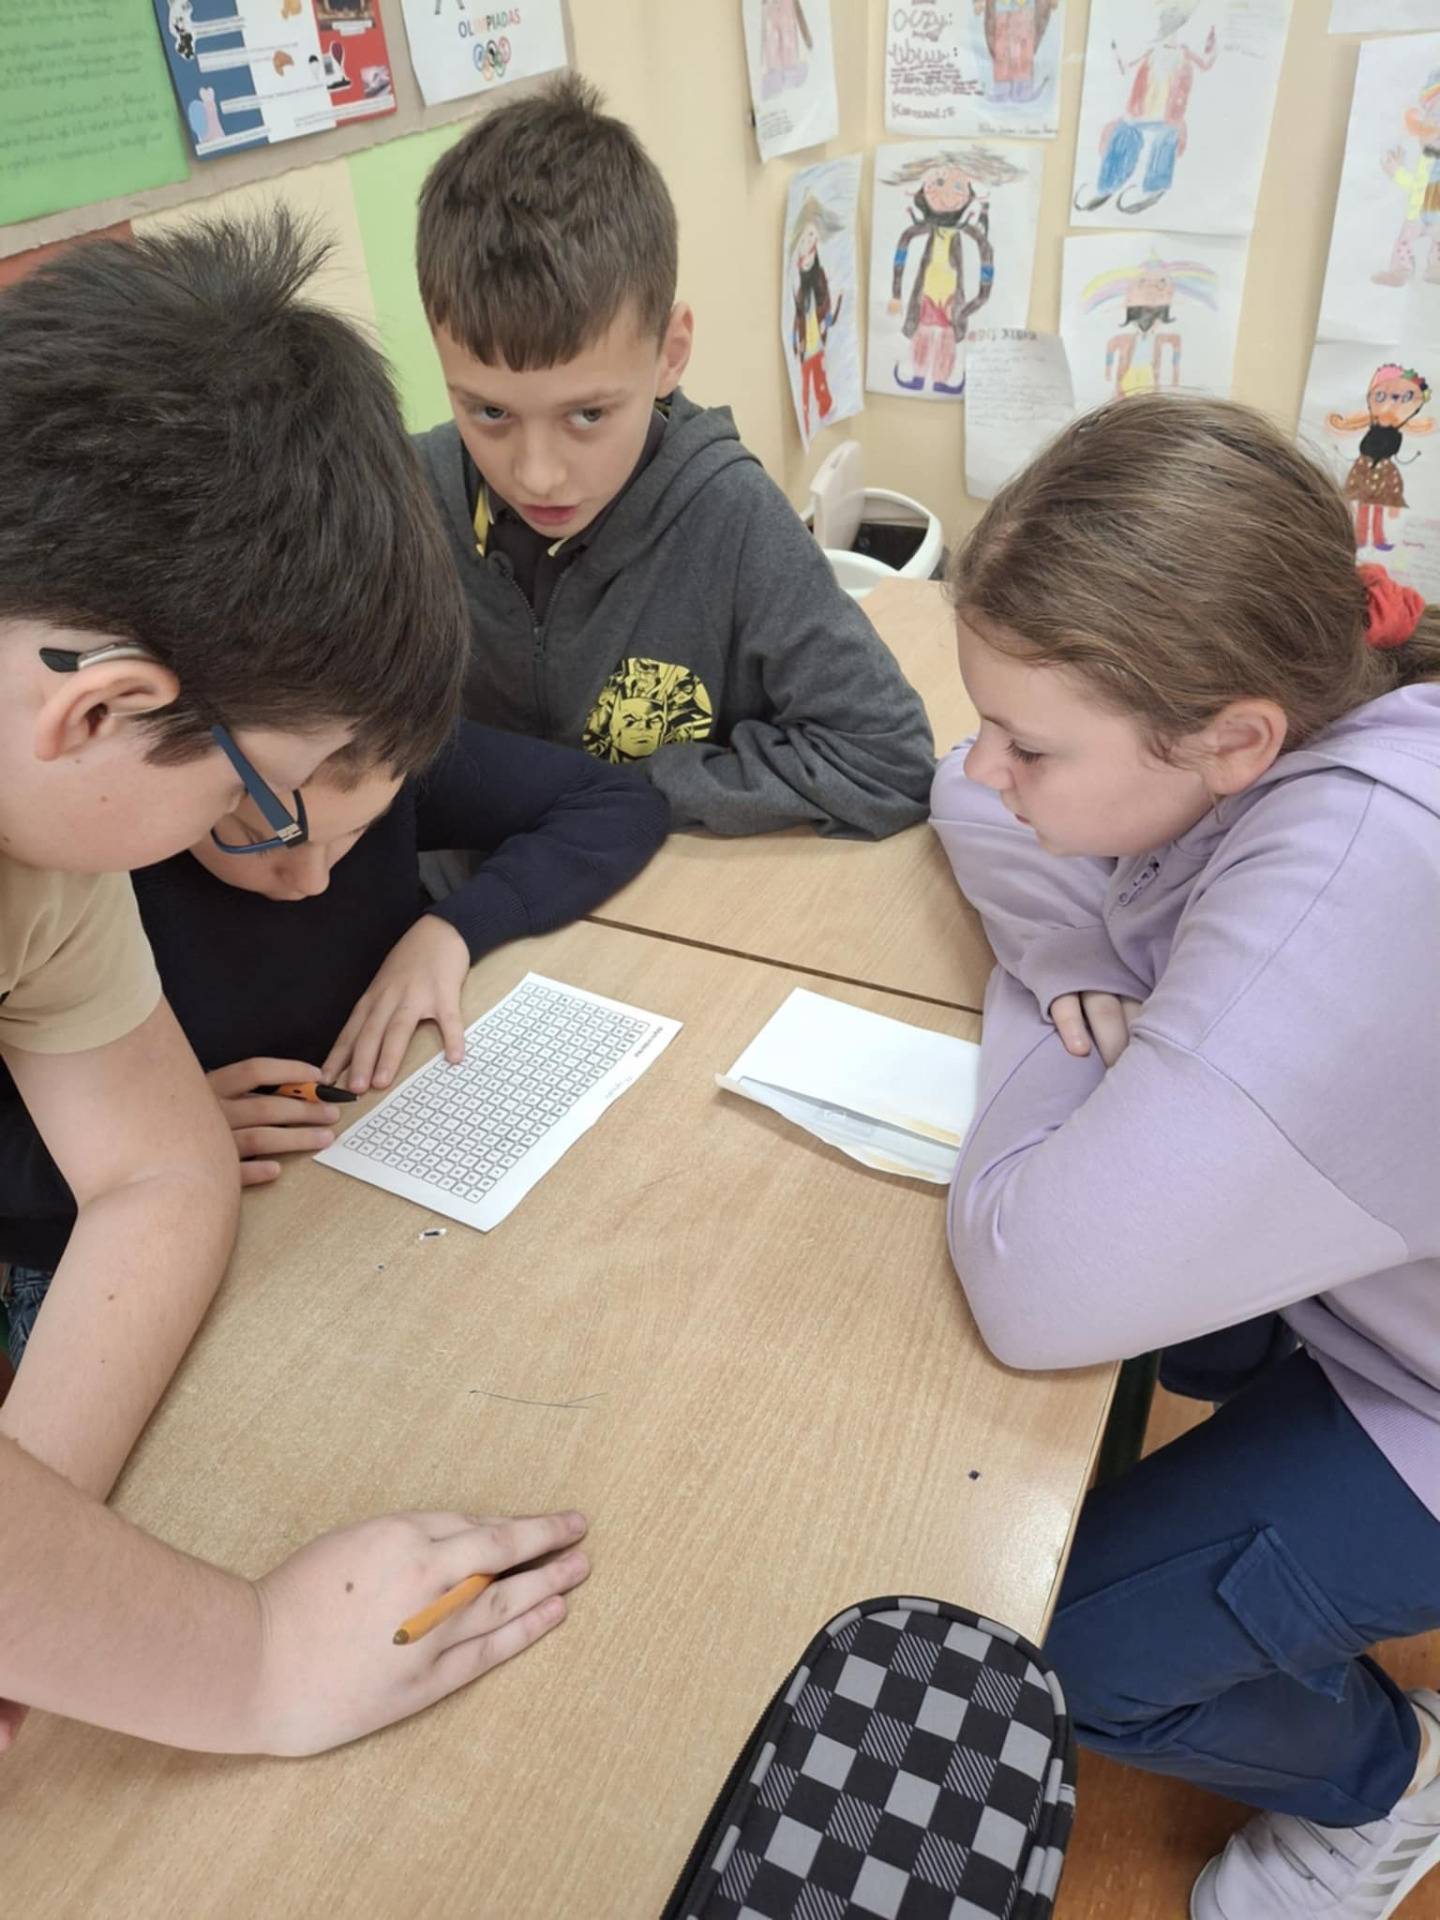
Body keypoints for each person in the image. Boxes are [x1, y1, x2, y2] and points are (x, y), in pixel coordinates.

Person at [0, 213, 588, 1756]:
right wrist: (249, 1661)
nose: (282, 849)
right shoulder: (76, 790)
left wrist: (42, 1606)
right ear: (103, 713)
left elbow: (156, 1168)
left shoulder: (46, 821)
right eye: (252, 800)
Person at [929, 395, 1440, 1918]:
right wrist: (1076, 953)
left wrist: (1047, 1000)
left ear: (1235, 742)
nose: (993, 763)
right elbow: (961, 790)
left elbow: (1036, 1284)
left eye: (1033, 744)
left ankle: (1390, 1781)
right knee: (1179, 1330)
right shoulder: (1283, 724)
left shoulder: (1353, 880)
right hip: (1380, 1280)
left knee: (1047, 1648)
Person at [0, 718, 668, 1321]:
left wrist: (452, 929)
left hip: (352, 1180)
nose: (311, 880)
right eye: (259, 838)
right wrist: (138, 1144)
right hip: (96, 1233)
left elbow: (616, 801)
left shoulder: (370, 748)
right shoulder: (76, 862)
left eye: (357, 831)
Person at [411, 73, 935, 840]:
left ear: (670, 352)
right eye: (489, 412)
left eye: (588, 414)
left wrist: (631, 793)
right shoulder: (406, 500)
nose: (537, 474)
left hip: (659, 886)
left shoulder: (730, 517)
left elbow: (889, 758)